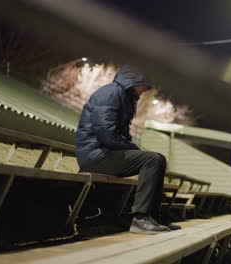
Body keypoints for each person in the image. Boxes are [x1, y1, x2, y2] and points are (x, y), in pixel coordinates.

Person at [75, 64, 178, 234]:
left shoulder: (125, 96)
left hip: (105, 153)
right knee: (153, 159)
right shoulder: (110, 93)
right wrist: (133, 149)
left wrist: (132, 148)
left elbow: (118, 135)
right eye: (144, 84)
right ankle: (140, 218)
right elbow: (106, 134)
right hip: (95, 156)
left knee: (157, 159)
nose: (145, 89)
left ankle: (153, 217)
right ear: (134, 80)